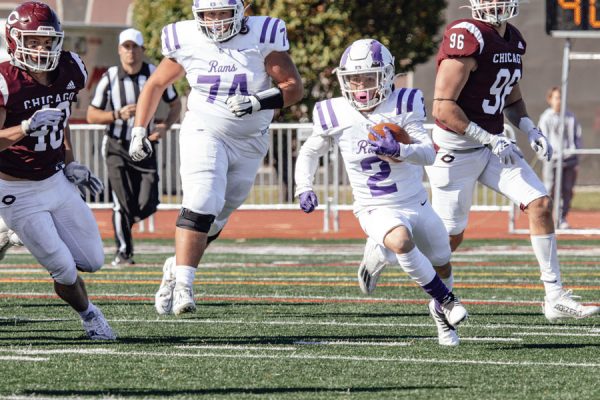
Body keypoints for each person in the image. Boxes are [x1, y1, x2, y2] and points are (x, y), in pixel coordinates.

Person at [426, 0, 599, 321]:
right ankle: (393, 250)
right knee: (448, 239)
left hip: (494, 146)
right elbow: (442, 108)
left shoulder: (513, 39)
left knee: (540, 204)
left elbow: (512, 98)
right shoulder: (467, 35)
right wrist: (488, 137)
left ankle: (554, 297)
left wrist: (530, 128)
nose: (495, 4)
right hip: (456, 151)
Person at [129, 0, 303, 315]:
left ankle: (176, 266)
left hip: (250, 142)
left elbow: (293, 88)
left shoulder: (261, 35)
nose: (216, 21)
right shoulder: (187, 38)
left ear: (240, 12)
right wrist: (139, 129)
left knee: (217, 216)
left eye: (223, 13)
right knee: (203, 197)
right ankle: (184, 286)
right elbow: (156, 83)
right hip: (204, 129)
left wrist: (256, 101)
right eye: (209, 14)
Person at [295, 39, 468, 346]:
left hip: (415, 202)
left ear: (386, 76)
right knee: (401, 240)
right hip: (373, 206)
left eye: (367, 77)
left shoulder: (403, 104)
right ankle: (448, 301)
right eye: (353, 78)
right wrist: (303, 186)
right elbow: (310, 151)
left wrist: (400, 149)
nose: (360, 85)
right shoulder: (335, 112)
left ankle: (439, 314)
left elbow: (428, 153)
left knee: (442, 261)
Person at [0, 1, 115, 339]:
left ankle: (11, 232)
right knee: (64, 269)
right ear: (14, 40)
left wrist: (70, 162)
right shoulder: (6, 80)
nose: (41, 48)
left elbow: (60, 120)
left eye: (46, 41)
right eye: (32, 41)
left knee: (92, 261)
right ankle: (90, 316)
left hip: (54, 180)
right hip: (15, 189)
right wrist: (24, 127)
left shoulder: (71, 68)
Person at [87, 28, 181, 266]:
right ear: (119, 50)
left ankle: (128, 222)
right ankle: (124, 252)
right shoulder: (109, 77)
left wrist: (165, 126)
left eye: (135, 47)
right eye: (126, 47)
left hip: (145, 146)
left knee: (149, 202)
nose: (130, 52)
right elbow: (91, 114)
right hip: (116, 146)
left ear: (143, 50)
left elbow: (175, 104)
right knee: (121, 202)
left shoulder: (154, 73)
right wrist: (116, 114)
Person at [538, 86, 582, 229]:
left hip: (569, 159)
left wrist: (575, 154)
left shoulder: (570, 117)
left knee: (567, 190)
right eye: (556, 98)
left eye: (561, 97)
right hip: (552, 160)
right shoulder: (546, 118)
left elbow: (577, 138)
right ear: (550, 100)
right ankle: (547, 218)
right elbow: (541, 138)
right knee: (549, 189)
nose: (559, 101)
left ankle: (561, 218)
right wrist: (545, 155)